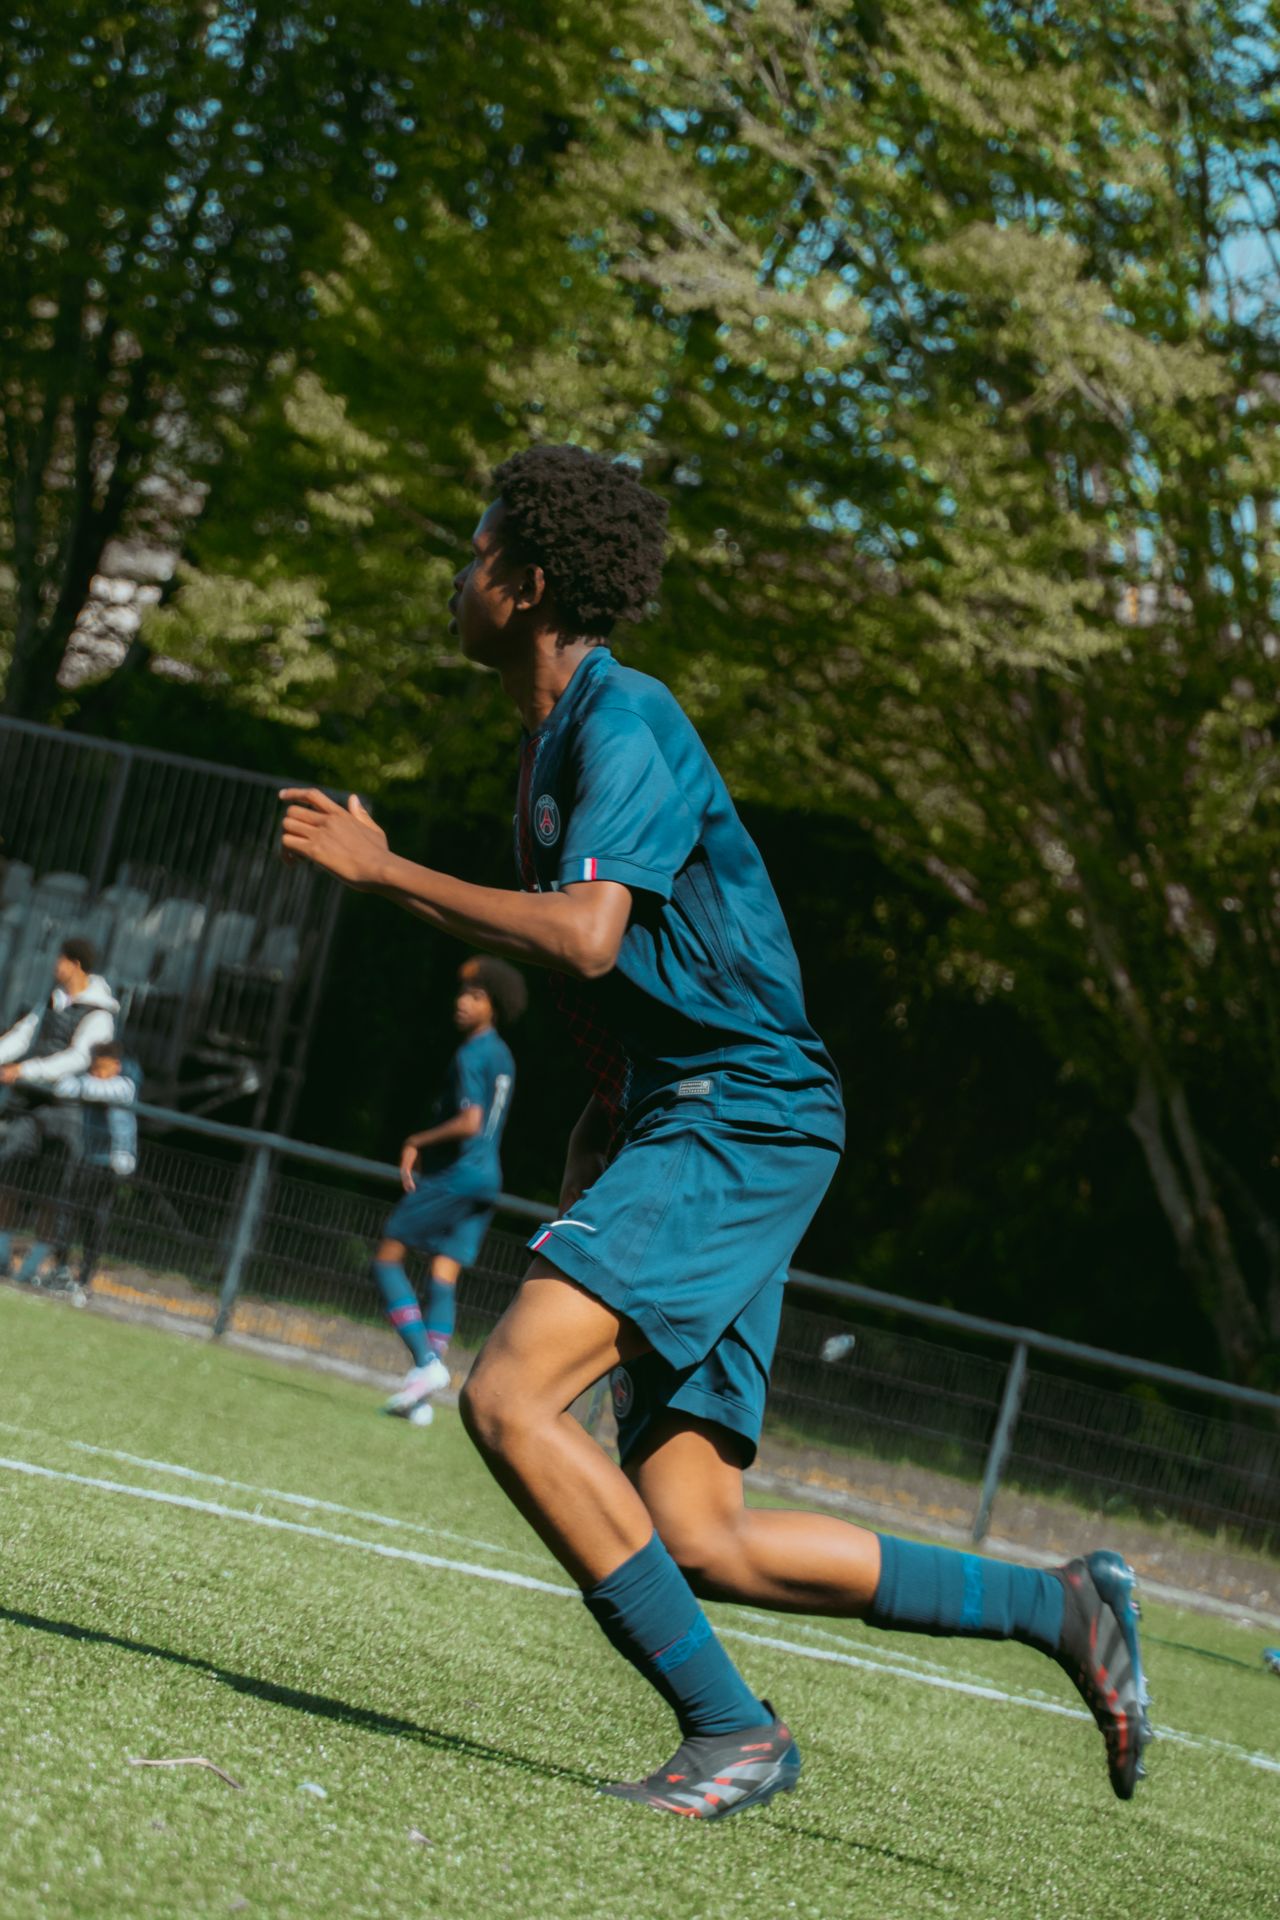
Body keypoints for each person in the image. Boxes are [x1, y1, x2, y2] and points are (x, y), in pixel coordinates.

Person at [280, 445, 1150, 1819]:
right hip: (705, 1121)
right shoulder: (551, 745)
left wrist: (384, 870)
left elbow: (586, 937)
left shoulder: (624, 723)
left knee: (507, 1397)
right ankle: (1061, 1606)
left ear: (529, 582)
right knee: (699, 1535)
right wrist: (602, 1133)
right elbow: (639, 980)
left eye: (476, 551)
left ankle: (732, 1732)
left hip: (740, 1118)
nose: (459, 574)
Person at [376, 954, 524, 1425]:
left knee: (387, 1258)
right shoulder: (502, 1054)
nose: (462, 1002)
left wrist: (417, 1140)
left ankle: (425, 1362)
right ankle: (422, 1396)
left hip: (459, 1175)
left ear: (495, 1005)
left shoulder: (472, 1054)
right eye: (462, 993)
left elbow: (470, 1121)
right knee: (442, 1275)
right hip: (488, 1179)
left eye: (476, 996)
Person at [0, 937, 119, 1284]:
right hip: (30, 1104)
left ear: (75, 964)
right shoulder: (52, 1001)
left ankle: (32, 1266)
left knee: (51, 1193)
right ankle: (2, 1255)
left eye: (61, 959)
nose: (55, 965)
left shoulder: (99, 1015)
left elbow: (80, 1057)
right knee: (8, 1175)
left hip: (65, 1113)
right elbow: (22, 1035)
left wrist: (27, 1070)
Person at [44, 1040, 140, 1294]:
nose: (98, 1075)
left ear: (117, 1066)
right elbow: (63, 1087)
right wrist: (83, 1081)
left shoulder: (124, 1086)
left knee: (94, 1222)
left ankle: (84, 1277)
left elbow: (99, 1092)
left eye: (102, 1069)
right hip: (85, 1159)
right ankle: (61, 1269)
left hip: (108, 1165)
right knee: (66, 1214)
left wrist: (84, 1084)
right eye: (94, 1069)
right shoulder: (89, 1082)